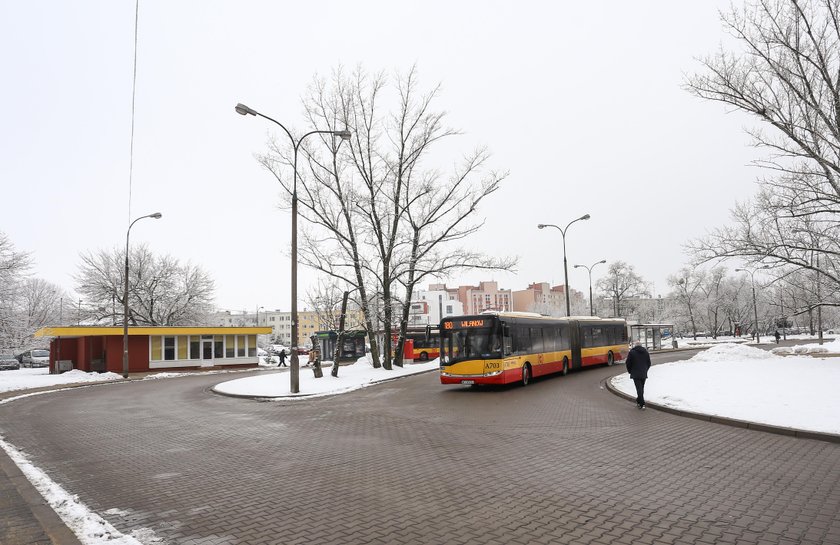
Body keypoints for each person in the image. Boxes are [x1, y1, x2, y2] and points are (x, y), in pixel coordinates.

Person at [625, 341, 652, 409]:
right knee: (641, 388)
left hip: (635, 373)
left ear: (635, 346)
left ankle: (642, 403)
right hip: (643, 373)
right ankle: (639, 401)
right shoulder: (645, 352)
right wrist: (645, 370)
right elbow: (649, 363)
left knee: (639, 389)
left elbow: (628, 363)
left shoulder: (632, 352)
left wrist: (630, 371)